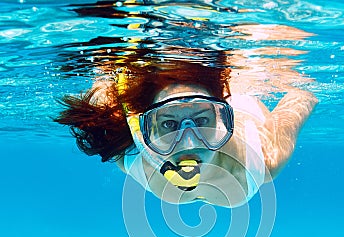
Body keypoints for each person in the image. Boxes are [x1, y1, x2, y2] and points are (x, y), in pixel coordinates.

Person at [55, 49, 317, 207]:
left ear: (224, 119)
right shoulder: (130, 151)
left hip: (240, 105)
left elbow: (304, 96)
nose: (190, 144)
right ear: (146, 131)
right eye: (169, 124)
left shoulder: (260, 156)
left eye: (203, 122)